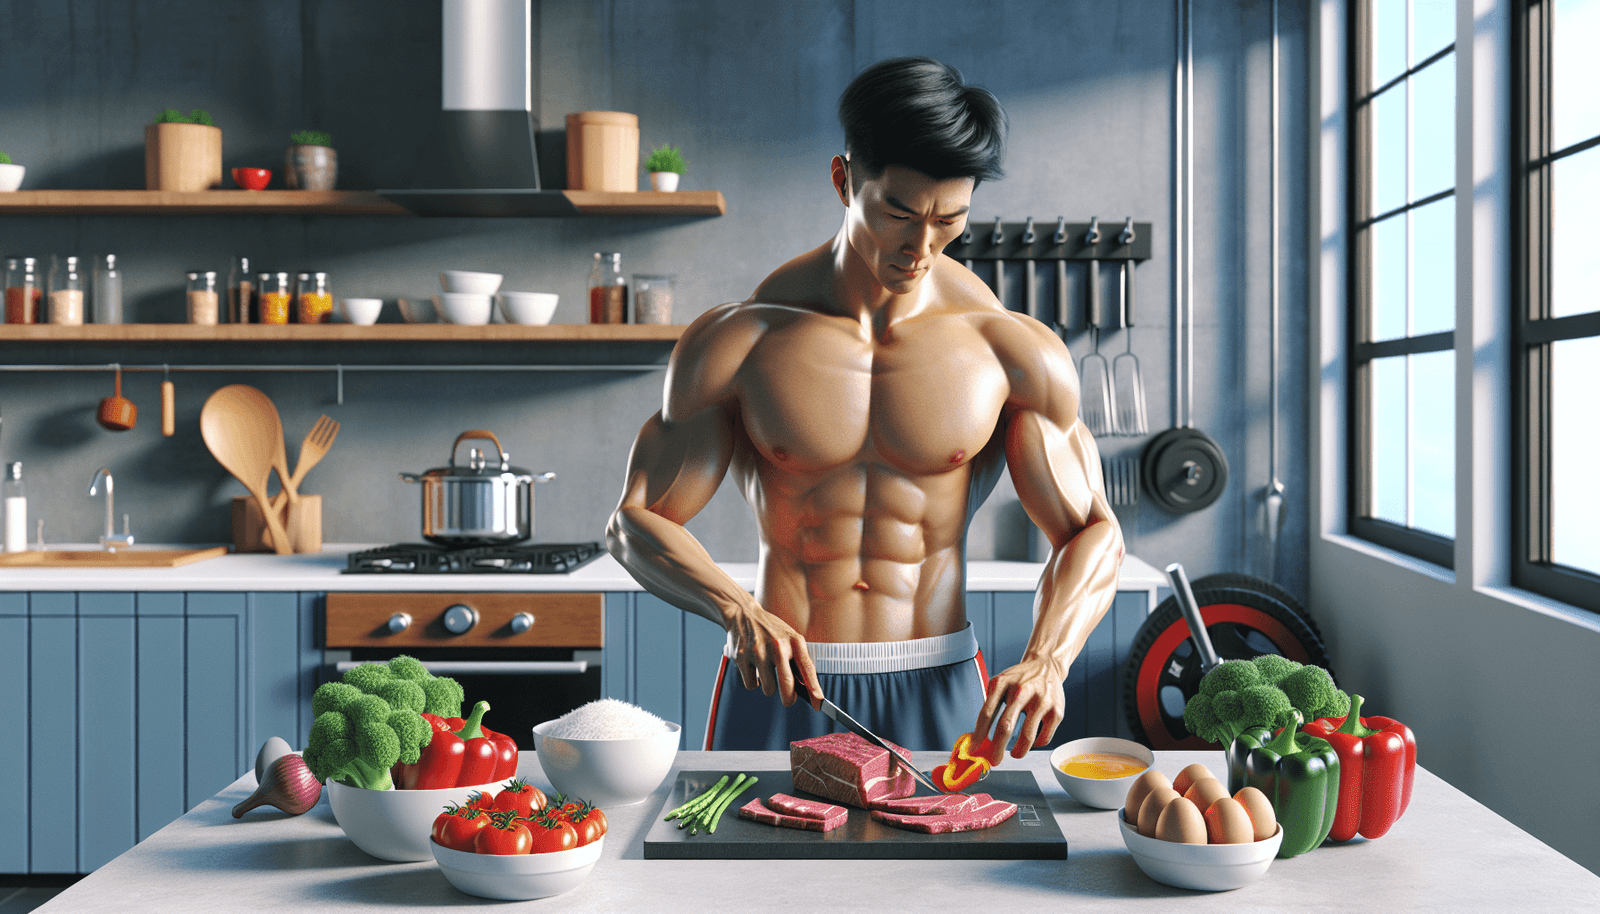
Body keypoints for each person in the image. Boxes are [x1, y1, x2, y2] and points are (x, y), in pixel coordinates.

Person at [606, 56, 1123, 764]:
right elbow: (634, 521)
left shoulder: (1008, 350)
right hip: (784, 683)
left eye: (951, 220)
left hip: (937, 679)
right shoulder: (743, 340)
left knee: (947, 877)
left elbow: (1095, 532)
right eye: (899, 213)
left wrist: (1049, 659)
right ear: (844, 180)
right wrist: (736, 609)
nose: (921, 246)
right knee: (746, 876)